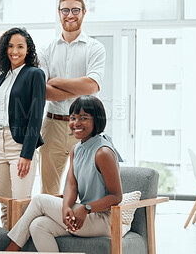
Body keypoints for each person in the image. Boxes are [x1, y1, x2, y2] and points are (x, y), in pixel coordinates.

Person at [6, 95, 122, 252]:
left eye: (83, 118)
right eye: (73, 118)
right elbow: (72, 184)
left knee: (39, 200)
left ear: (97, 120)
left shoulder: (103, 152)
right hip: (85, 215)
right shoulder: (77, 148)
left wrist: (86, 208)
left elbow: (116, 196)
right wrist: (67, 206)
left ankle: (11, 249)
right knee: (38, 225)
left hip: (104, 219)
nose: (76, 123)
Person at [39, 0, 106, 195]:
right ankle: (51, 227)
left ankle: (79, 226)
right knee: (48, 190)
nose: (70, 15)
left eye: (75, 10)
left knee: (86, 188)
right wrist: (78, 87)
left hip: (85, 126)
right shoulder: (46, 49)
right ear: (59, 13)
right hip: (53, 126)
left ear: (83, 13)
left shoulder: (95, 48)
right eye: (65, 10)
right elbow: (43, 92)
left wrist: (57, 82)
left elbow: (92, 86)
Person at [0, 27, 46, 230]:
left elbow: (36, 116)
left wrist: (27, 153)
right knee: (5, 204)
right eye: (10, 46)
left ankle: (22, 248)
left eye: (20, 46)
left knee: (21, 204)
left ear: (28, 50)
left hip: (19, 145)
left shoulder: (35, 74)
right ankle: (7, 246)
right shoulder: (2, 77)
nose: (14, 51)